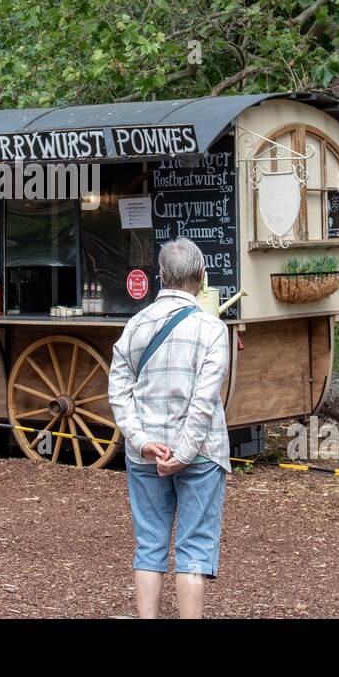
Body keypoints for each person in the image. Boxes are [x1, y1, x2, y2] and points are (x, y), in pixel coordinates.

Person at [108, 237, 230, 619]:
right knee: (193, 551)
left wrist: (142, 442)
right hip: (201, 454)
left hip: (145, 454)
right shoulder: (213, 330)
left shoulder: (135, 325)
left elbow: (118, 390)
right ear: (201, 277)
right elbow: (204, 402)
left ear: (161, 277)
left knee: (149, 546)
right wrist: (184, 453)